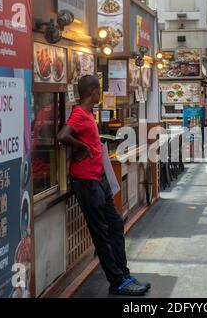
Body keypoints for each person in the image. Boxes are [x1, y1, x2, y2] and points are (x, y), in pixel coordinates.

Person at [58, 75, 151, 296]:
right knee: (101, 232)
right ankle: (117, 281)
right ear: (93, 91)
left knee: (116, 224)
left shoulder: (88, 114)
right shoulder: (79, 113)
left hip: (99, 178)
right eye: (99, 89)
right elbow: (62, 135)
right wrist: (82, 146)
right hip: (86, 181)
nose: (101, 93)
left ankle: (124, 274)